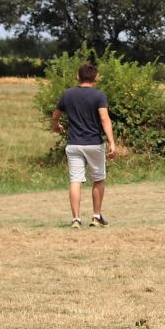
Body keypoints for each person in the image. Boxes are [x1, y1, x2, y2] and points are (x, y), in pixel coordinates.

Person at [54, 63, 118, 228]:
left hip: (73, 143)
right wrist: (112, 142)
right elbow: (104, 119)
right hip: (94, 143)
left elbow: (56, 115)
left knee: (75, 180)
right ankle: (96, 217)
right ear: (96, 78)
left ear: (78, 76)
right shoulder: (99, 95)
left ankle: (76, 219)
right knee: (98, 178)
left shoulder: (67, 94)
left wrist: (57, 124)